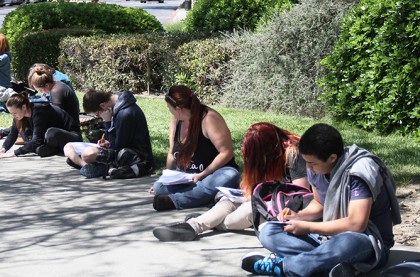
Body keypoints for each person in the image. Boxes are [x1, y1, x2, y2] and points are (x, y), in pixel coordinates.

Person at [241, 123, 401, 277]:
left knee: (350, 240)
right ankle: (332, 267)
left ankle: (287, 267)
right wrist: (298, 216)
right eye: (307, 162)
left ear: (332, 158)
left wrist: (309, 227)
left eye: (312, 163)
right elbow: (319, 204)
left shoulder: (359, 171)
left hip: (369, 242)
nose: (308, 168)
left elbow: (356, 224)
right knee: (269, 231)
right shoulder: (316, 168)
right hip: (329, 240)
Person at [152, 122, 309, 241]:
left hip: (285, 210)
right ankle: (193, 226)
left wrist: (257, 198)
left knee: (245, 211)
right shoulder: (274, 153)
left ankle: (206, 221)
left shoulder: (294, 154)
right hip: (268, 200)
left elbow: (298, 194)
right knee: (230, 199)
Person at [150, 85, 240, 211]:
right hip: (187, 176)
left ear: (179, 109)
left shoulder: (209, 118)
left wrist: (203, 174)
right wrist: (167, 177)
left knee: (230, 176)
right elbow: (172, 153)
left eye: (169, 108)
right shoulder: (176, 121)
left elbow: (226, 152)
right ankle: (203, 197)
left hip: (213, 173)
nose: (169, 111)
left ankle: (175, 200)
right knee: (159, 187)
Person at [63, 88, 154, 178]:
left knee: (87, 154)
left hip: (132, 155)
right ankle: (86, 166)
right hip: (118, 149)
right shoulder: (114, 107)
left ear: (102, 105)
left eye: (97, 114)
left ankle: (99, 168)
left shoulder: (124, 114)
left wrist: (107, 121)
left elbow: (117, 147)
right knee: (68, 147)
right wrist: (106, 141)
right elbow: (114, 141)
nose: (98, 116)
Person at [0, 64, 78, 140]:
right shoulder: (54, 84)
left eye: (41, 91)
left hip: (65, 128)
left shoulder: (57, 89)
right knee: (25, 111)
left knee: (27, 112)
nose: (42, 93)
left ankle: (8, 134)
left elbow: (56, 113)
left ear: (46, 84)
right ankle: (4, 133)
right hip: (59, 124)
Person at [0, 93, 82, 158]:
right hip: (50, 138)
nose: (14, 116)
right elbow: (13, 133)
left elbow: (37, 140)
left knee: (51, 133)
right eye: (12, 114)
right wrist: (4, 149)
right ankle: (50, 149)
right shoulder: (20, 116)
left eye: (15, 113)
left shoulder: (39, 111)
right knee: (26, 134)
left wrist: (15, 153)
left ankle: (51, 148)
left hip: (71, 136)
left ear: (24, 107)